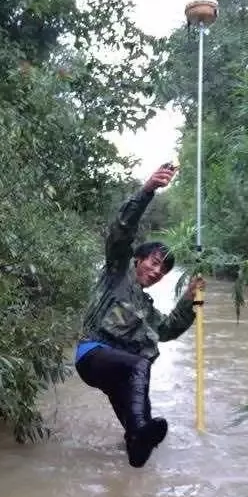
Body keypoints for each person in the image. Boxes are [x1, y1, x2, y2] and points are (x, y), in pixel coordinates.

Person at [74, 163, 205, 468]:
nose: (156, 271)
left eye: (163, 269)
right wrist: (147, 191)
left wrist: (189, 301)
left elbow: (168, 329)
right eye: (154, 262)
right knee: (140, 365)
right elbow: (121, 231)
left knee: (139, 432)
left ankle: (134, 462)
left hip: (121, 372)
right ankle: (140, 432)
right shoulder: (116, 272)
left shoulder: (146, 309)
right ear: (137, 260)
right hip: (93, 354)